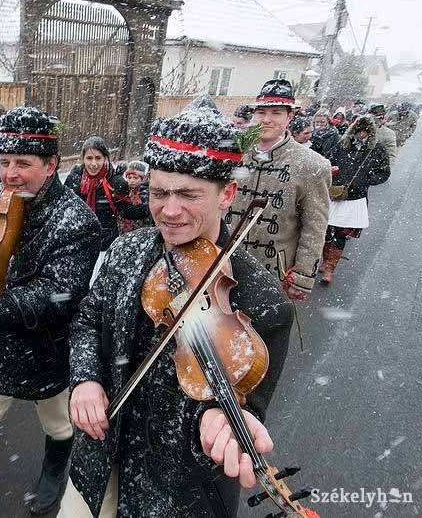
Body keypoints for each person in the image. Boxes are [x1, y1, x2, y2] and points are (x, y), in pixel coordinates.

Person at [59, 96, 294, 517]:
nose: (169, 210)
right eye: (159, 192)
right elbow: (88, 319)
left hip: (177, 491)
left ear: (228, 194)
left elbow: (245, 402)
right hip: (100, 457)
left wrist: (220, 419)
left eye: (188, 194)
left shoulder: (262, 301)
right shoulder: (127, 249)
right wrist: (85, 378)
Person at [0, 106, 101, 517]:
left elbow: (56, 294)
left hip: (47, 350)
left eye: (23, 163)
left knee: (59, 425)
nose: (9, 173)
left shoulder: (77, 220)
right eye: (5, 161)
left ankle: (52, 476)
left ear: (50, 165)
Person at [226, 79, 331, 300]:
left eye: (276, 113)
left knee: (266, 333)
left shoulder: (312, 165)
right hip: (225, 267)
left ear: (289, 117)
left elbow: (314, 227)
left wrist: (302, 276)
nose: (267, 119)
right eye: (261, 112)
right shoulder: (233, 154)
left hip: (274, 272)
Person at [321, 115, 390, 284]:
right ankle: (324, 260)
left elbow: (384, 173)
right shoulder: (343, 146)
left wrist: (367, 180)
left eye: (365, 132)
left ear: (370, 133)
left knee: (340, 235)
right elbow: (326, 162)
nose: (361, 135)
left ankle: (330, 268)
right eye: (359, 131)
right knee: (325, 232)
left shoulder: (377, 149)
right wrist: (331, 173)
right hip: (335, 195)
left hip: (355, 199)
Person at [117, 160, 151, 235]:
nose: (132, 181)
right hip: (123, 232)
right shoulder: (123, 190)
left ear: (142, 179)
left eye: (135, 178)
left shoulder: (145, 193)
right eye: (129, 178)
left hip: (141, 232)